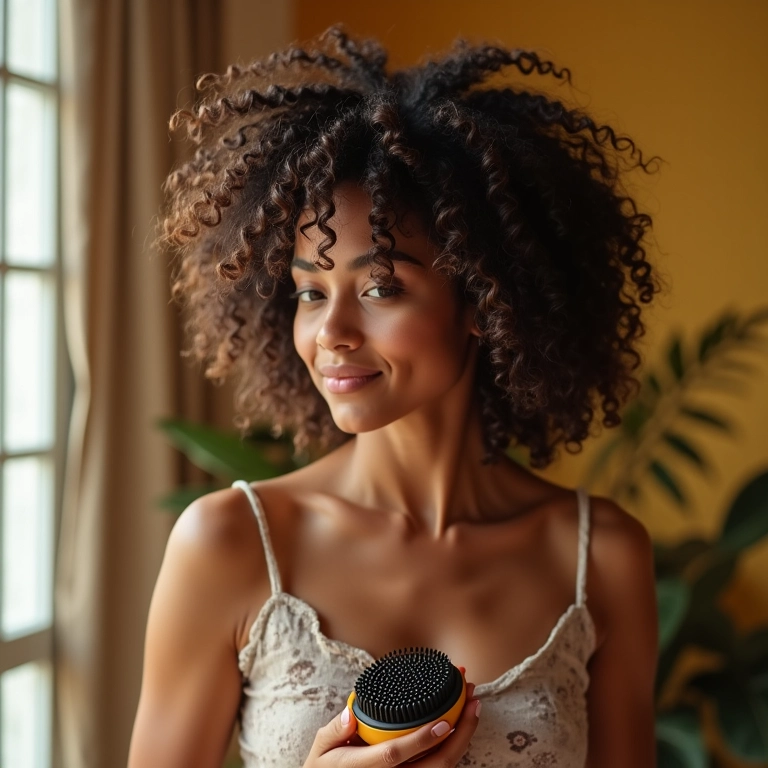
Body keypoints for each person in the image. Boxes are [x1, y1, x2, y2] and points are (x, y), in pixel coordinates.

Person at [128, 24, 662, 768]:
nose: (331, 332)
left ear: (483, 298)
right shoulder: (231, 545)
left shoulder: (599, 557)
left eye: (381, 286)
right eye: (311, 292)